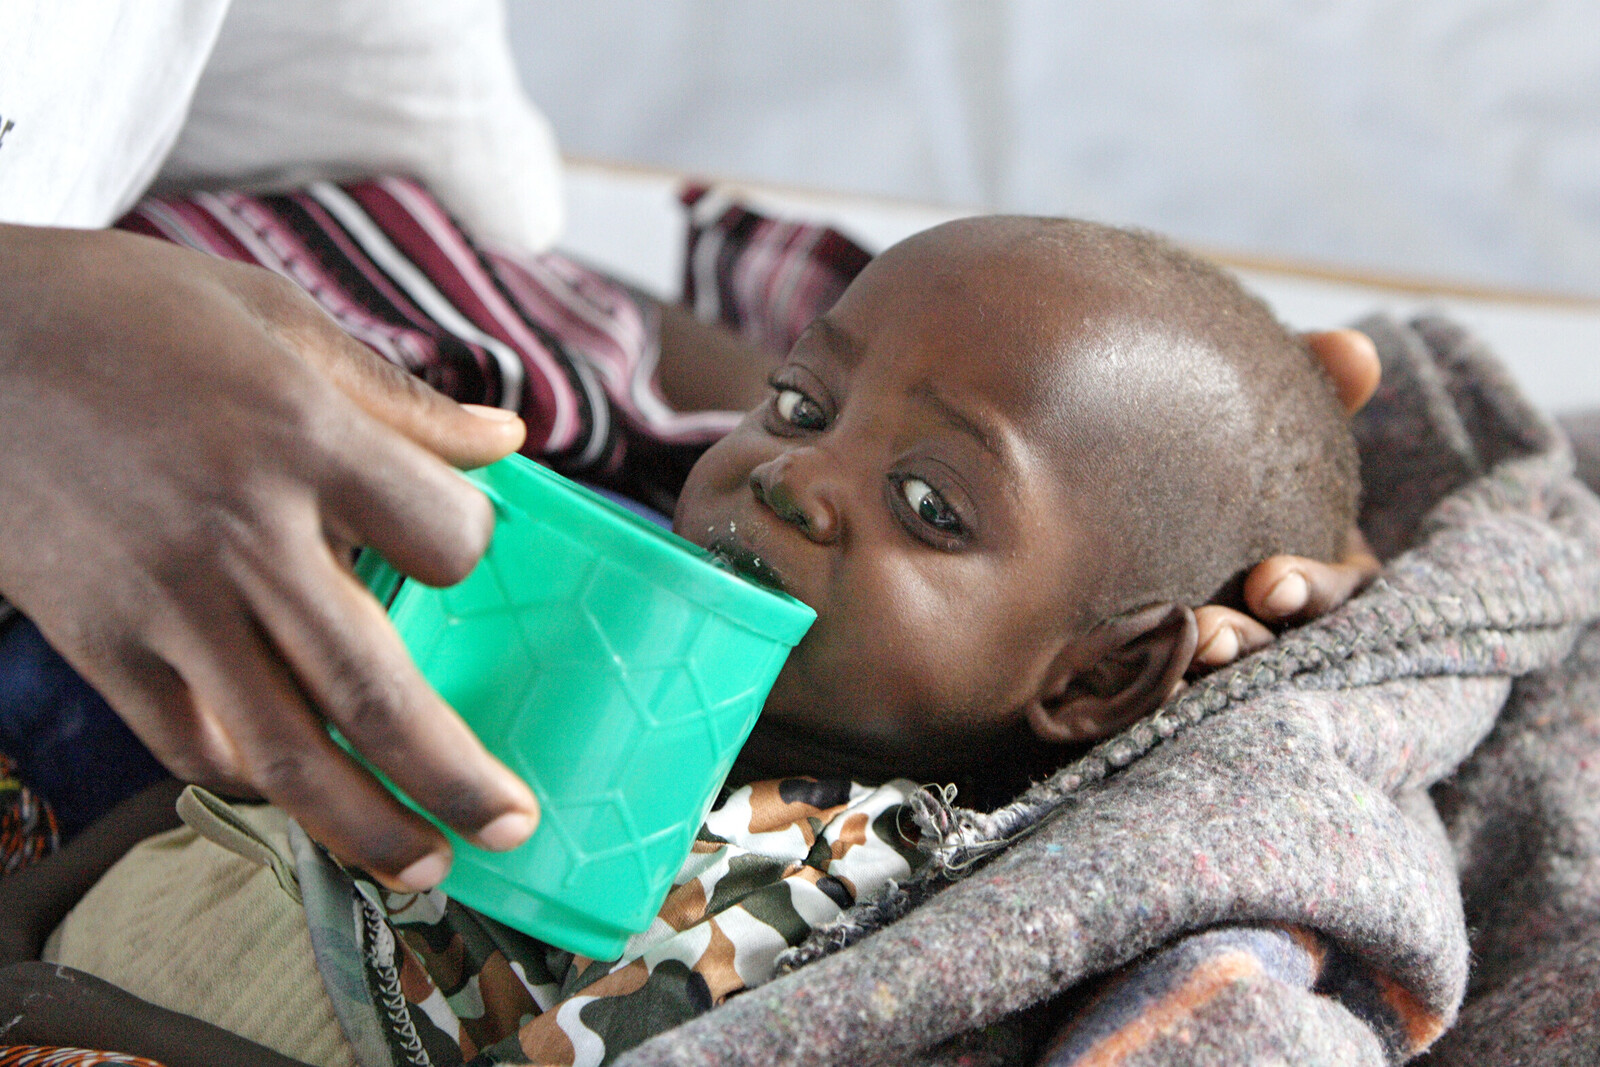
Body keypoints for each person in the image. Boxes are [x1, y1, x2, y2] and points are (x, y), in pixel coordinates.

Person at [0, 213, 1373, 1066]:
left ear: (1097, 676)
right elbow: (234, 806)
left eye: (927, 504)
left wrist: (81, 1021)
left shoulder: (820, 884)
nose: (796, 477)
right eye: (798, 400)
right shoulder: (575, 629)